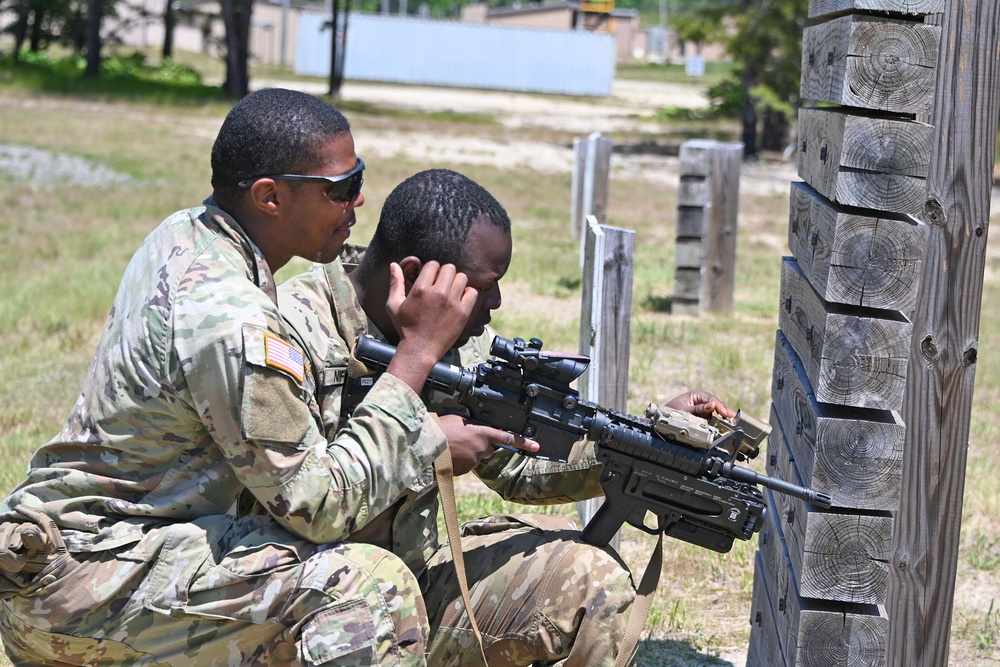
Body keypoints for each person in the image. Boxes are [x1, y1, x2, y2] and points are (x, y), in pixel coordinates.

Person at [0, 89, 531, 666]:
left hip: (100, 556)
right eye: (339, 189)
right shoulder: (236, 323)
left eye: (359, 179)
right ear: (269, 197)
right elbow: (319, 506)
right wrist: (417, 355)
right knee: (365, 587)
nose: (357, 204)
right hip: (89, 585)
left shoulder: (189, 232)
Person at [278, 168, 736, 666]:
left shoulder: (452, 338)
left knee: (593, 580)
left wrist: (638, 446)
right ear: (414, 277)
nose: (494, 305)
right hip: (311, 600)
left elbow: (521, 462)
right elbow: (295, 503)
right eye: (483, 287)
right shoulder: (291, 332)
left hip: (416, 579)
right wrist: (425, 446)